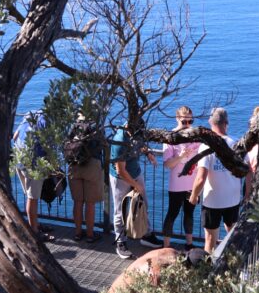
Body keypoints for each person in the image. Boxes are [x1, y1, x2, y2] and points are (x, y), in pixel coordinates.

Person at [189, 108, 252, 253]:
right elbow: (249, 172)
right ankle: (233, 267)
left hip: (212, 201)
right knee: (233, 236)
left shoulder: (206, 146)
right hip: (233, 199)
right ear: (226, 123)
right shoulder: (237, 143)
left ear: (211, 123)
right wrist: (247, 194)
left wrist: (193, 196)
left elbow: (200, 178)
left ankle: (208, 270)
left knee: (210, 239)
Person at [109, 122, 162, 259]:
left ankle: (146, 234)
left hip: (135, 172)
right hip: (120, 178)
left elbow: (140, 143)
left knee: (143, 203)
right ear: (128, 128)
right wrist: (135, 185)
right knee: (120, 210)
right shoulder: (119, 141)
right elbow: (120, 170)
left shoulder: (137, 132)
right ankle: (120, 242)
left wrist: (148, 152)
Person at [161, 106, 199, 249]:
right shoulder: (171, 138)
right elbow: (167, 164)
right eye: (184, 122)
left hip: (192, 183)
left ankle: (189, 244)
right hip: (177, 185)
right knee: (172, 213)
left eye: (190, 121)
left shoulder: (196, 136)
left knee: (189, 214)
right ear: (177, 119)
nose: (187, 125)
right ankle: (166, 246)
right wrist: (181, 156)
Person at [12, 110, 54, 241]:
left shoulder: (28, 118)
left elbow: (14, 137)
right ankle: (34, 232)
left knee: (30, 196)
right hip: (34, 164)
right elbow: (49, 147)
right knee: (32, 198)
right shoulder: (48, 122)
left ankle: (34, 224)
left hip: (19, 161)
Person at [66, 113, 104, 242]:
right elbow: (102, 144)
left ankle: (77, 233)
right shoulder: (96, 127)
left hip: (74, 165)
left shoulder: (74, 126)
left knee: (77, 202)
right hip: (92, 165)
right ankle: (89, 235)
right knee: (90, 203)